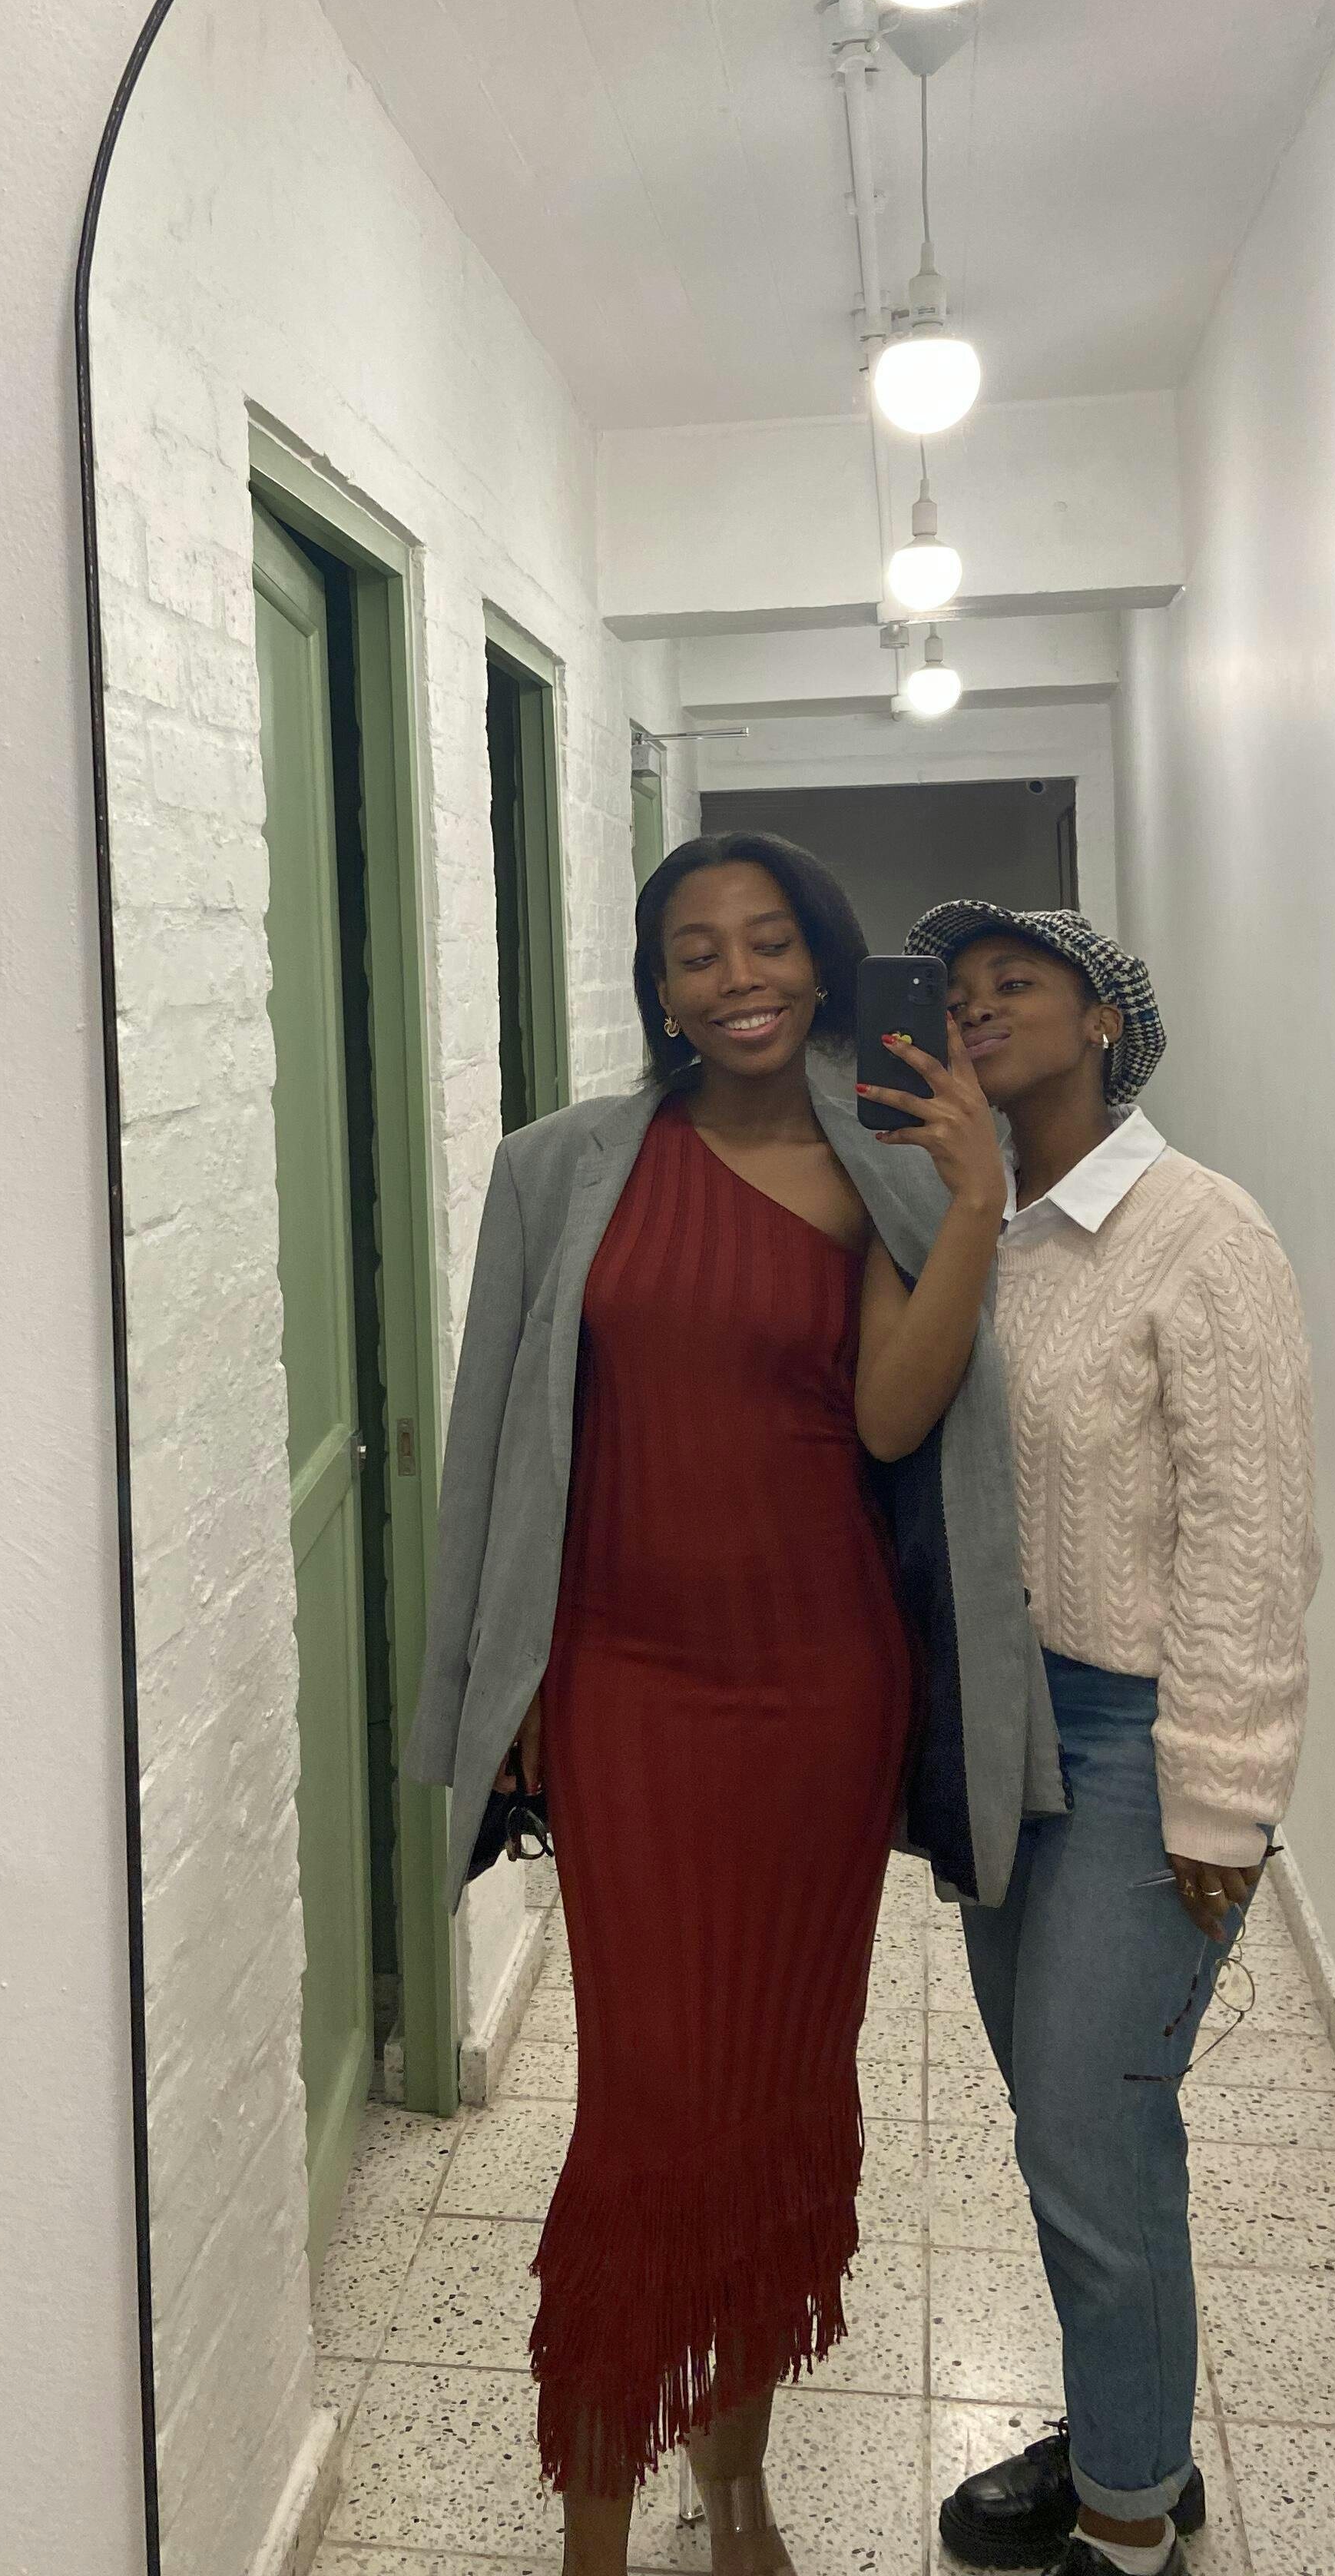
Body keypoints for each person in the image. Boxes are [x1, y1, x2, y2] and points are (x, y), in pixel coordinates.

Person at [405, 834, 1059, 2576]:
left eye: (769, 942)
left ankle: (741, 2482)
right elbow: (499, 1444)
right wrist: (505, 1673)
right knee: (644, 2111)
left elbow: (895, 1419)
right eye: (696, 952)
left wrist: (974, 1204)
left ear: (824, 964)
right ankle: (595, 2525)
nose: (738, 976)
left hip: (819, 1697)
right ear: (658, 988)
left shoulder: (886, 1164)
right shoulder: (558, 1171)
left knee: (777, 2097)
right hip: (621, 1688)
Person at [869, 903, 1318, 2576]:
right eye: (960, 991)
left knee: (1087, 2128)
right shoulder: (977, 1225)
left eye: (1020, 985)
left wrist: (1224, 1797)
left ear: (1106, 1022)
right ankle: (1132, 2439)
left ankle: (1127, 2534)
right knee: (1075, 2133)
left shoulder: (1200, 1231)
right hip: (1005, 1729)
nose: (980, 1007)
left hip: (1138, 1743)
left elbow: (1252, 1538)